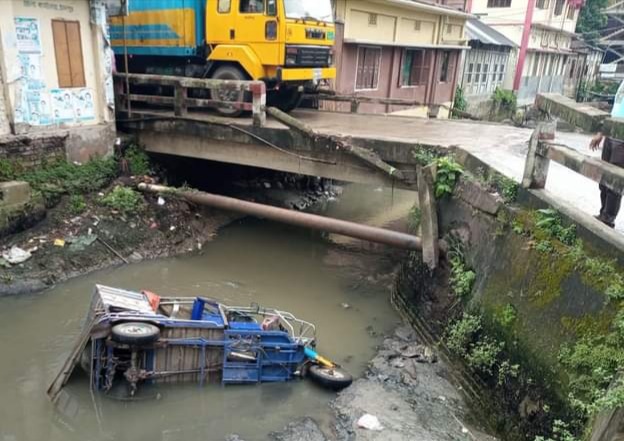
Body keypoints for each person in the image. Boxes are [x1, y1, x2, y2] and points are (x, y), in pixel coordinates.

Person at [590, 80, 624, 228]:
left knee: (614, 182)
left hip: (622, 139)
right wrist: (601, 133)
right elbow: (615, 109)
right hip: (611, 134)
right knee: (604, 179)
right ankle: (603, 212)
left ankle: (608, 219)